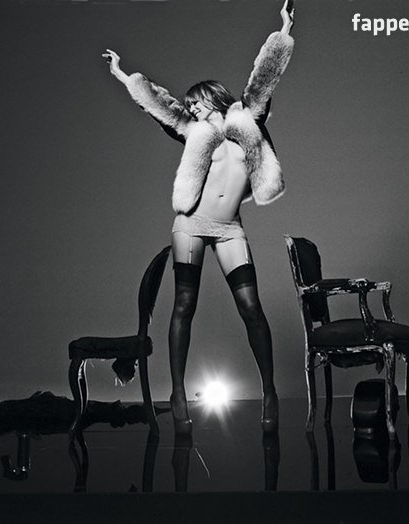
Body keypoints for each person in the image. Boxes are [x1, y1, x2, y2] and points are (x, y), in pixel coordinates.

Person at [103, 1, 295, 434]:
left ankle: (269, 391)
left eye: (196, 103)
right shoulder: (192, 131)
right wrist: (123, 75)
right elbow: (158, 105)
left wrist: (283, 30)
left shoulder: (247, 118)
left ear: (213, 98)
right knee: (184, 306)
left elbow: (265, 78)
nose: (191, 110)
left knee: (251, 307)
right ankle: (177, 393)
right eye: (188, 106)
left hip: (229, 230)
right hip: (190, 224)